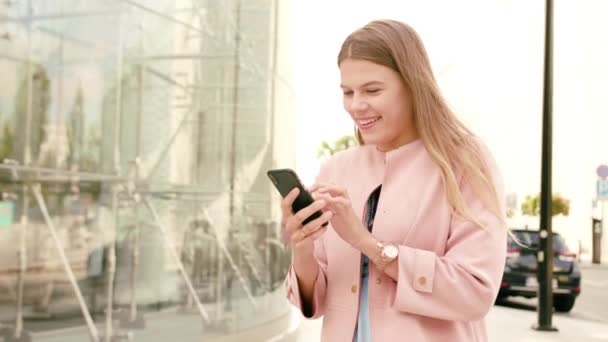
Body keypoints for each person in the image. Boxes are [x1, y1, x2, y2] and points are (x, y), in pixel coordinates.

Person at [280, 19, 507, 341]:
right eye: (348, 92)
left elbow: (474, 292)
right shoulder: (337, 169)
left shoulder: (465, 162)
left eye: (372, 90)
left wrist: (367, 243)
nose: (356, 105)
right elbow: (313, 303)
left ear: (413, 85)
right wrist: (301, 247)